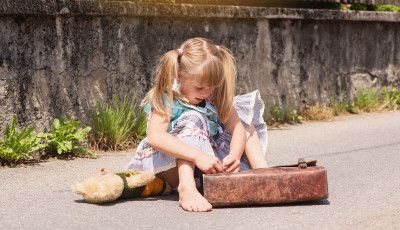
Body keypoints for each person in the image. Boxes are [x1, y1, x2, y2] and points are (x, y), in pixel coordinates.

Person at [125, 38, 268, 212]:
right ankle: (187, 188)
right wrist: (197, 156)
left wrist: (235, 156)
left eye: (212, 87)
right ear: (179, 74)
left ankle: (263, 174)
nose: (207, 92)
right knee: (193, 117)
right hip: (170, 166)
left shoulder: (213, 96)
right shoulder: (169, 97)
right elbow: (155, 136)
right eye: (200, 88)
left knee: (246, 122)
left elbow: (237, 127)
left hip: (207, 166)